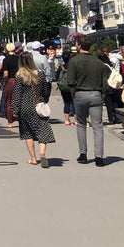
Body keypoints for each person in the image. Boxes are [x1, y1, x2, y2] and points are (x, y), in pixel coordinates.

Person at [64, 36, 109, 166]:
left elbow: (71, 81)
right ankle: (99, 157)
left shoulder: (74, 61)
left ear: (79, 45)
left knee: (81, 124)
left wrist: (74, 94)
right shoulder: (99, 62)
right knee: (97, 126)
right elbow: (105, 83)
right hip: (96, 94)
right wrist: (102, 95)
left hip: (80, 93)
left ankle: (83, 154)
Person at [10, 52, 55, 167]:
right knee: (42, 130)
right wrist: (45, 99)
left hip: (25, 106)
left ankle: (33, 158)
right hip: (38, 105)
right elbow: (46, 89)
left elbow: (16, 94)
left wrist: (15, 110)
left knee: (27, 132)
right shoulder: (40, 75)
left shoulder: (20, 76)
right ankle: (42, 154)